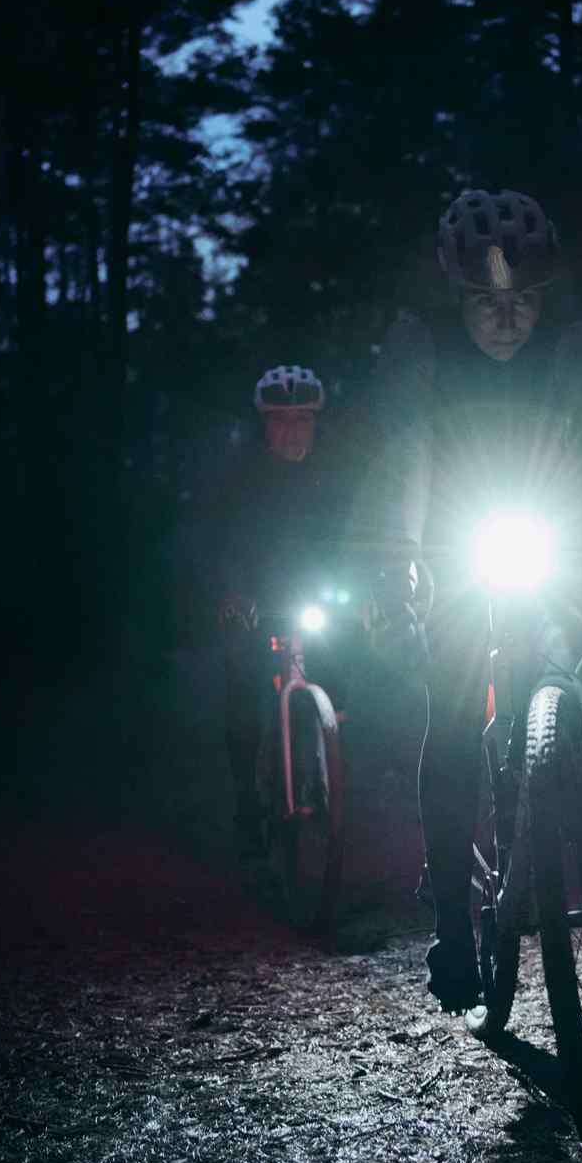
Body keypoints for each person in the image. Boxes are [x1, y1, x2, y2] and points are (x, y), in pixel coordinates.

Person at [368, 188, 582, 1012]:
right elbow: (402, 458)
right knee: (451, 717)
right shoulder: (420, 347)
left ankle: (550, 798)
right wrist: (398, 564)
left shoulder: (572, 347)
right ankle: (451, 917)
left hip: (553, 521)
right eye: (486, 301)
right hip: (452, 534)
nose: (508, 319)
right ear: (456, 297)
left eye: (525, 301)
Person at [206, 365, 350, 856]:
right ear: (265, 425)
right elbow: (220, 540)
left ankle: (329, 758)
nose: (293, 431)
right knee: (243, 683)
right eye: (281, 420)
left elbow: (353, 536)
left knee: (341, 660)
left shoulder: (333, 474)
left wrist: (365, 588)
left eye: (303, 419)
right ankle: (247, 801)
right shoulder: (241, 477)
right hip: (255, 599)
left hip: (312, 594)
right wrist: (231, 592)